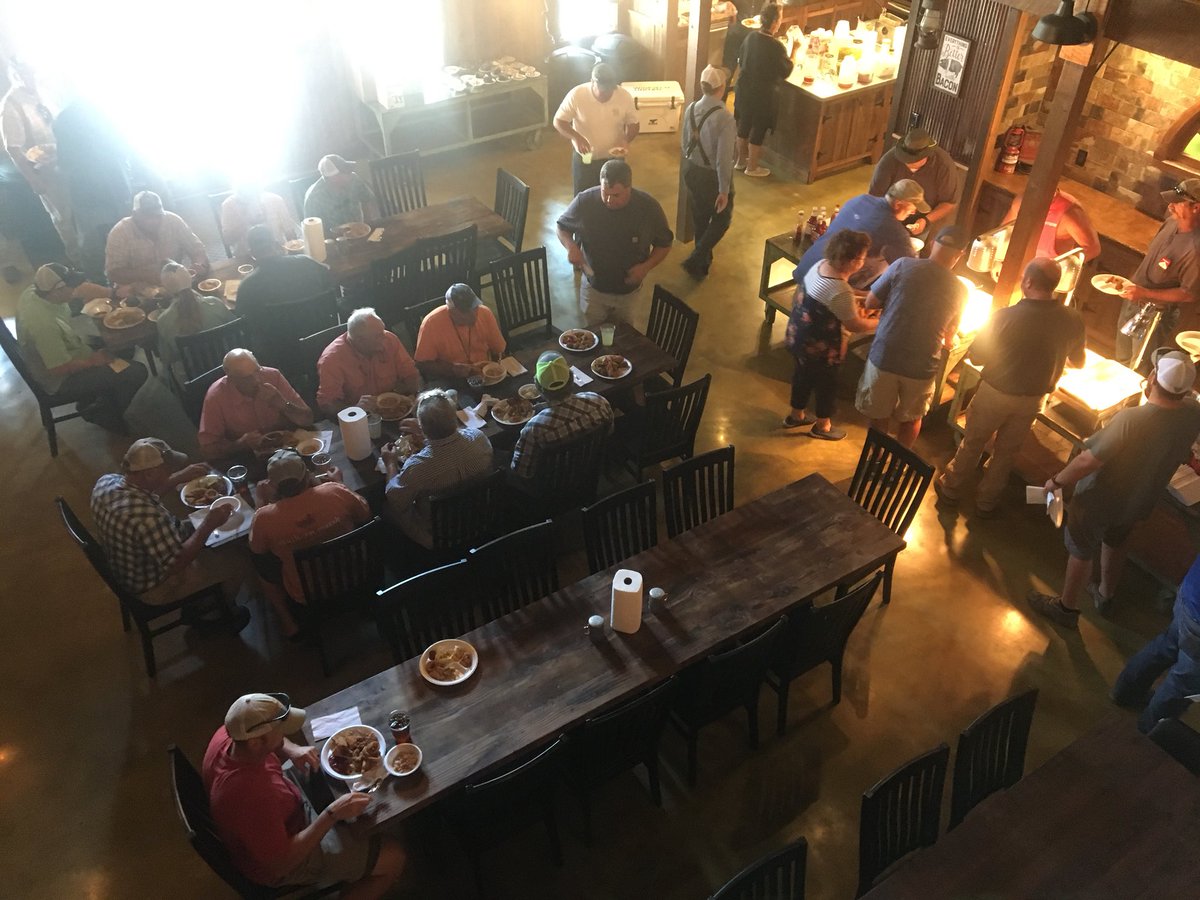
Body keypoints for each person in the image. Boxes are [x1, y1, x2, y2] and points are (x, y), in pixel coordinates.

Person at [1028, 349, 1200, 628]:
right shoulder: (1192, 412)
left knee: (1081, 548)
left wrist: (1056, 482)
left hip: (1099, 498)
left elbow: (1088, 460)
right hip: (1139, 501)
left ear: (1153, 378)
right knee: (1117, 540)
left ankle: (1066, 608)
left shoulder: (1132, 419)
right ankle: (1105, 594)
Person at [203, 692, 405, 896]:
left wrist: (292, 749)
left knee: (325, 768)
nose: (284, 733)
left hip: (286, 802)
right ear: (256, 743)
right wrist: (331, 814)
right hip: (286, 859)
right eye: (280, 730)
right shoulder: (250, 797)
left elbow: (271, 740)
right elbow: (281, 865)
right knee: (394, 857)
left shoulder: (233, 734)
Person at [935, 258, 1086, 516]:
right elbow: (1079, 361)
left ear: (1028, 282)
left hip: (995, 393)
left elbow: (976, 357)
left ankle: (951, 488)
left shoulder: (1004, 316)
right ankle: (986, 501)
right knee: (1007, 452)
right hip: (1034, 399)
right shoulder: (1073, 318)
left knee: (973, 442)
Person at [90, 437, 248, 629]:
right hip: (152, 586)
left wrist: (178, 477)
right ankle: (211, 615)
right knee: (237, 561)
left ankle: (209, 602)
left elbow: (148, 496)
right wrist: (208, 524)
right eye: (167, 468)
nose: (171, 470)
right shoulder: (148, 518)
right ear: (149, 474)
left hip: (127, 568)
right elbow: (177, 563)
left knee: (205, 528)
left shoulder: (107, 482)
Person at [854, 226, 969, 448]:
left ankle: (874, 456)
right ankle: (899, 458)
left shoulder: (903, 265)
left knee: (878, 414)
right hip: (922, 364)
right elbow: (949, 336)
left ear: (933, 243)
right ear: (960, 254)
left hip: (885, 354)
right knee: (911, 418)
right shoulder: (961, 290)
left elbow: (870, 302)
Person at [249, 450, 371, 636]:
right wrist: (338, 483)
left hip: (308, 594)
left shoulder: (264, 518)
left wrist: (260, 500)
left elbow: (257, 549)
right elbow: (365, 514)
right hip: (356, 576)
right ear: (306, 474)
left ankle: (289, 623)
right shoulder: (335, 491)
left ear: (273, 485)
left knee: (262, 567)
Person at [16, 262, 147, 432]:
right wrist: (93, 361)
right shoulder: (42, 325)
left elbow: (82, 288)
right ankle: (102, 413)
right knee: (136, 372)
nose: (75, 289)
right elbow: (58, 368)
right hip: (61, 379)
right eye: (71, 287)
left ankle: (99, 396)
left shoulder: (38, 291)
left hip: (71, 347)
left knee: (121, 344)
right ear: (57, 291)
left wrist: (113, 293)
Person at [782, 229, 878, 441]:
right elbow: (854, 324)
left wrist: (864, 295)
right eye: (862, 258)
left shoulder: (821, 266)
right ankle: (822, 426)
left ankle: (796, 415)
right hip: (822, 349)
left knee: (802, 377)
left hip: (799, 336)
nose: (863, 262)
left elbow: (839, 294)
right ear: (850, 261)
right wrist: (881, 322)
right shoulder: (840, 291)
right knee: (826, 385)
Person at [556, 159, 673, 326]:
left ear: (629, 188)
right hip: (593, 290)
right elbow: (562, 227)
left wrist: (646, 267)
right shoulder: (585, 201)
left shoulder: (648, 208)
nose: (609, 200)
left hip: (628, 295)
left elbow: (664, 244)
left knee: (625, 334)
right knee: (594, 332)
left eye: (616, 195)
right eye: (605, 193)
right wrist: (571, 247)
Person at [382, 390, 494, 548]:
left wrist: (390, 464)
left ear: (422, 427)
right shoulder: (479, 438)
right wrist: (426, 430)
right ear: (454, 417)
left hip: (441, 536)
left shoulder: (418, 467)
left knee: (386, 508)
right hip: (480, 518)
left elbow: (395, 499)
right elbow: (459, 435)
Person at [1115, 178, 1200, 370]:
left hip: (1154, 315)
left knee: (1138, 368)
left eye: (1178, 202)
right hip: (1133, 301)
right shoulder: (1170, 222)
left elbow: (1189, 293)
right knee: (1122, 359)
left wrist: (1145, 293)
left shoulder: (1196, 250)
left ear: (1196, 207)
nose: (1171, 206)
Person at [1112, 554, 1200, 733]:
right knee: (1182, 684)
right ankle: (1148, 734)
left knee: (1166, 645)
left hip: (1190, 592)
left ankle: (1125, 693)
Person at [1, 58, 77, 260]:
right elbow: (13, 148)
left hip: (65, 161)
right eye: (25, 73)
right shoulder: (11, 105)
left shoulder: (43, 90)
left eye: (32, 71)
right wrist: (34, 180)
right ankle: (76, 259)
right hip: (44, 170)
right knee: (64, 217)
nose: (31, 77)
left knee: (80, 210)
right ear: (15, 75)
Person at [53, 96, 135, 280]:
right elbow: (123, 148)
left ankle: (103, 284)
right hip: (116, 188)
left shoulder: (63, 123)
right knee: (128, 235)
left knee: (95, 247)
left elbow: (64, 164)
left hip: (87, 196)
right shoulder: (101, 116)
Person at [794, 180, 926, 290]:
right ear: (898, 204)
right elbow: (910, 271)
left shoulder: (861, 199)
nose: (914, 212)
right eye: (913, 207)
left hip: (806, 269)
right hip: (827, 287)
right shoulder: (895, 231)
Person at [510, 352, 614, 481]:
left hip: (551, 486)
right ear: (571, 379)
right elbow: (609, 432)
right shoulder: (599, 403)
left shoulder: (534, 429)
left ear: (538, 387)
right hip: (589, 476)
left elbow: (522, 471)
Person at [198, 349, 313, 459]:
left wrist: (283, 404)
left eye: (257, 370)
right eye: (247, 378)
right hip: (247, 456)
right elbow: (207, 450)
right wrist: (239, 445)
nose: (257, 380)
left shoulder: (273, 376)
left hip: (287, 448)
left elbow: (308, 419)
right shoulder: (216, 396)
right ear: (231, 378)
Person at [680, 65, 737, 279]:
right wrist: (723, 190)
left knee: (701, 216)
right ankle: (696, 258)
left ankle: (702, 264)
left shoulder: (691, 108)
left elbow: (684, 143)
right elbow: (724, 158)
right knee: (722, 219)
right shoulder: (725, 118)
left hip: (692, 170)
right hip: (712, 176)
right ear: (721, 88)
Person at [553, 63, 640, 196]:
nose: (606, 95)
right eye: (603, 91)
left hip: (614, 159)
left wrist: (625, 140)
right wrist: (576, 137)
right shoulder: (577, 95)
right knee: (583, 196)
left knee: (614, 197)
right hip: (586, 158)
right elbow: (559, 121)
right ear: (592, 82)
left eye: (610, 91)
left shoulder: (624, 96)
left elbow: (634, 123)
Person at [317, 307, 419, 415]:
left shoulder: (389, 339)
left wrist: (409, 394)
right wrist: (355, 409)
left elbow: (410, 373)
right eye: (378, 336)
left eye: (383, 331)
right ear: (360, 341)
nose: (385, 338)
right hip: (358, 417)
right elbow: (328, 404)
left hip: (395, 410)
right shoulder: (332, 360)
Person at [733, 3, 793, 178]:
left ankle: (740, 161)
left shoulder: (750, 37)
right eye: (780, 18)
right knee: (758, 129)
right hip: (763, 94)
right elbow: (786, 71)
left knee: (743, 124)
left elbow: (741, 59)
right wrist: (795, 50)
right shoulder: (776, 47)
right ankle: (752, 167)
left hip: (744, 89)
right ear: (774, 22)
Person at [867, 127, 960, 238]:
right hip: (892, 214)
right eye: (905, 158)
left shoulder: (944, 166)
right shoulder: (888, 161)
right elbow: (874, 197)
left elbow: (949, 203)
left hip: (927, 216)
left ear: (927, 155)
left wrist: (926, 220)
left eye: (914, 159)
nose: (908, 161)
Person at [105, 190, 208, 289]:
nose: (154, 221)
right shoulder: (120, 232)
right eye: (147, 217)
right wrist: (146, 276)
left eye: (157, 216)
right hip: (137, 289)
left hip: (174, 282)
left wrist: (199, 264)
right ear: (135, 214)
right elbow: (113, 272)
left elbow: (197, 248)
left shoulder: (173, 221)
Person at [154, 260, 235, 381]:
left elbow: (167, 358)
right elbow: (235, 330)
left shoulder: (163, 320)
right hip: (229, 368)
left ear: (166, 288)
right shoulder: (215, 303)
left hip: (194, 379)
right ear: (190, 279)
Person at [413, 283, 506, 379]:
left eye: (474, 308)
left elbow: (499, 350)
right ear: (451, 311)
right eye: (466, 311)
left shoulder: (485, 312)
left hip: (483, 373)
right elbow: (422, 365)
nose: (473, 315)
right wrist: (452, 369)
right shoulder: (431, 323)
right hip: (451, 377)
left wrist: (496, 370)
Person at [1004, 187, 1101, 262]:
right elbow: (1003, 233)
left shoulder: (1070, 214)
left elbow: (1093, 248)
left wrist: (1059, 265)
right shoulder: (1022, 201)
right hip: (1016, 269)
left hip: (1050, 277)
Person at [302, 154, 380, 233]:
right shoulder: (314, 198)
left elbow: (368, 199)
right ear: (334, 178)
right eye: (346, 172)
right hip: (331, 237)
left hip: (358, 232)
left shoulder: (354, 180)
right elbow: (311, 230)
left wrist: (367, 224)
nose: (351, 173)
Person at [220, 183, 298, 258]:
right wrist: (245, 221)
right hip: (246, 257)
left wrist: (295, 255)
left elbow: (290, 232)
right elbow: (228, 240)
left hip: (277, 253)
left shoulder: (275, 200)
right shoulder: (229, 205)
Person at [719, 1, 759, 75]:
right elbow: (718, 6)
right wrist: (724, 5)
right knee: (727, 71)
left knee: (751, 72)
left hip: (756, 38)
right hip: (735, 35)